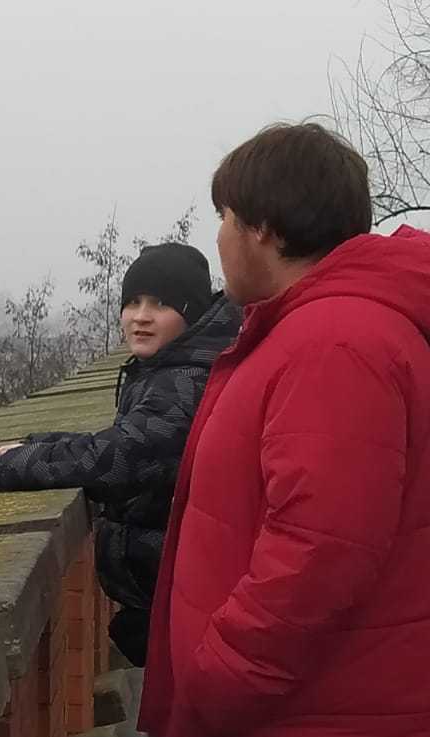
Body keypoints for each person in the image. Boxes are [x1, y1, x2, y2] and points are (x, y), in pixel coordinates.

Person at [138, 122, 430, 737]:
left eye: (225, 217)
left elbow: (320, 551)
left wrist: (220, 676)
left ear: (264, 228)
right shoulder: (313, 330)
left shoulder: (335, 343)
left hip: (311, 711)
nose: (220, 238)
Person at [0, 242, 240, 666]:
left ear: (191, 313)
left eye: (161, 304)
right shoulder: (171, 369)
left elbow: (119, 457)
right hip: (176, 594)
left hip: (187, 601)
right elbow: (130, 439)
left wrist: (15, 467)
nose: (141, 316)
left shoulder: (184, 382)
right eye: (132, 302)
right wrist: (39, 443)